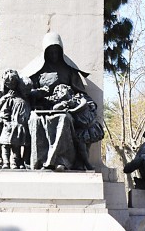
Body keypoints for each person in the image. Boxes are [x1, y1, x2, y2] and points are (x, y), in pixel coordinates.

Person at [20, 32, 98, 171]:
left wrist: (83, 103)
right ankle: (38, 162)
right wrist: (38, 94)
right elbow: (28, 93)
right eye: (50, 52)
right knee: (34, 120)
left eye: (56, 52)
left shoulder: (68, 71)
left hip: (64, 109)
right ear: (45, 52)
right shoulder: (37, 71)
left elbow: (81, 93)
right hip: (41, 108)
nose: (54, 55)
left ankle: (61, 160)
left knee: (64, 120)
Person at [0, 69, 31, 169]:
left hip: (16, 124)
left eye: (13, 84)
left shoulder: (20, 91)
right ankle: (0, 160)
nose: (11, 86)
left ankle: (16, 162)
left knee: (17, 144)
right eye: (8, 84)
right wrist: (6, 97)